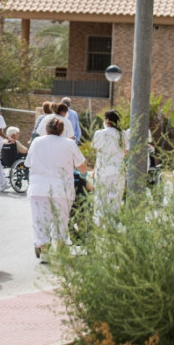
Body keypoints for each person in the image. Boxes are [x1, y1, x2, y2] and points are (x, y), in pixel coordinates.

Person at [25, 118, 88, 261]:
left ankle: (44, 251)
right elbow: (82, 166)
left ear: (46, 130)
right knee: (61, 221)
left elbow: (28, 163)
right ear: (62, 131)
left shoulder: (37, 142)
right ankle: (58, 249)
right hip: (62, 189)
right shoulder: (69, 144)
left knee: (40, 220)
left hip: (39, 187)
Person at [91, 110, 128, 217]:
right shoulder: (123, 134)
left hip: (102, 170)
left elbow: (95, 150)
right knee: (116, 200)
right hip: (118, 170)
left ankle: (100, 224)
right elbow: (127, 151)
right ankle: (113, 225)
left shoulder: (99, 133)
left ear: (106, 120)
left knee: (101, 199)